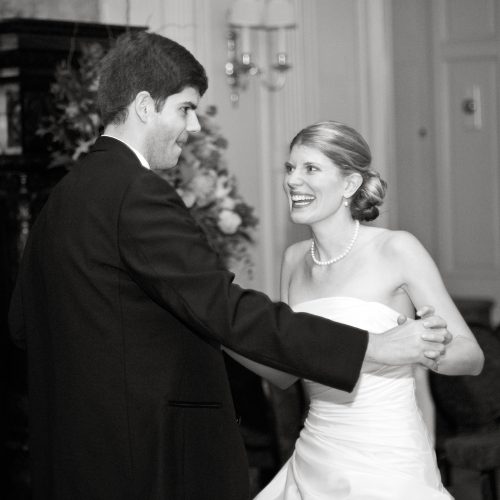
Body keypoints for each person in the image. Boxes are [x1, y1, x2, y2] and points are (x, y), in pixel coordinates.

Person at [8, 33, 451, 500]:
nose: (194, 125)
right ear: (144, 106)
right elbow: (225, 310)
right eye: (185, 108)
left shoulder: (62, 197)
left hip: (71, 457)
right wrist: (370, 346)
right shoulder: (136, 192)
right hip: (146, 456)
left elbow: (22, 325)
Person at [225, 120, 484, 499]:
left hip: (387, 458)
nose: (292, 180)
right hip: (316, 454)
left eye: (310, 168)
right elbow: (286, 370)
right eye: (290, 168)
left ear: (349, 184)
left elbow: (472, 356)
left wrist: (423, 350)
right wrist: (218, 330)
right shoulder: (294, 259)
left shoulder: (396, 249)